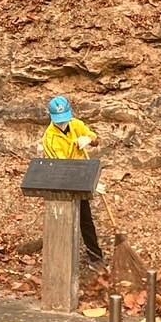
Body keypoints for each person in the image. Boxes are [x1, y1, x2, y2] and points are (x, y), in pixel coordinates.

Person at [41, 95, 103, 264]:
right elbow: (63, 169)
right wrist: (89, 183)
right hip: (62, 182)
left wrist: (89, 140)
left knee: (85, 218)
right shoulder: (50, 138)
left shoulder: (76, 124)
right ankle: (62, 259)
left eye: (65, 119)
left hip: (81, 176)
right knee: (64, 220)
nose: (63, 123)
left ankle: (95, 256)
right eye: (59, 121)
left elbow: (96, 140)